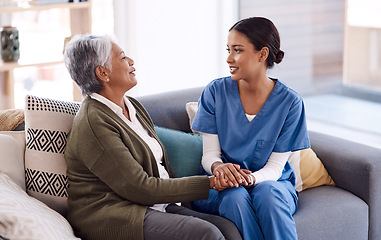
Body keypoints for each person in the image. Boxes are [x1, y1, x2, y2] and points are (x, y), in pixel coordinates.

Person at [63, 34, 244, 240]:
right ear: (103, 73)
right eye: (122, 58)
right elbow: (142, 188)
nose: (131, 61)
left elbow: (160, 170)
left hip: (153, 205)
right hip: (115, 214)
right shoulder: (94, 122)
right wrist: (209, 183)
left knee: (227, 229)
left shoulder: (132, 106)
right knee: (207, 234)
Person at [191, 17, 311, 240]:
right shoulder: (215, 92)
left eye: (237, 50)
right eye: (228, 50)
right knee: (235, 197)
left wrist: (250, 179)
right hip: (222, 186)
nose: (229, 58)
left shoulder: (290, 103)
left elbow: (276, 168)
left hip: (271, 184)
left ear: (262, 54)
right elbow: (209, 155)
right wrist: (219, 167)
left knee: (267, 194)